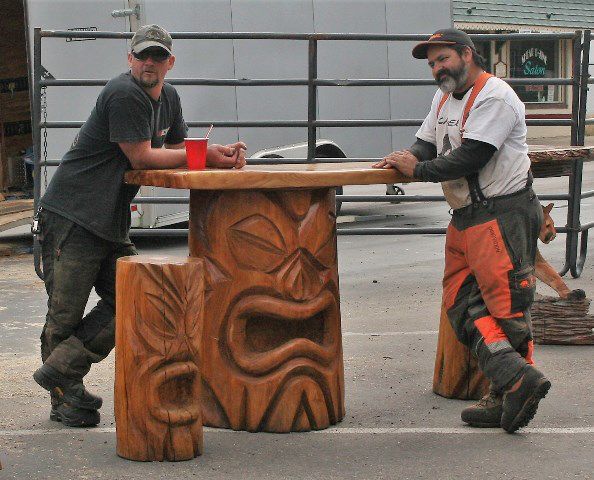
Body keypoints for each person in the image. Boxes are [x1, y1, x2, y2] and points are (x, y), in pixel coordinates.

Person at [33, 24, 247, 427]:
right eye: (143, 55)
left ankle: (61, 369)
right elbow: (144, 158)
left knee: (139, 298)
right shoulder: (124, 93)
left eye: (158, 57)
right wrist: (206, 158)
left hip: (108, 220)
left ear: (171, 63)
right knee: (65, 313)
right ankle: (65, 396)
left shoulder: (169, 98)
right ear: (130, 59)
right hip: (73, 217)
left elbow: (176, 150)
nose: (150, 63)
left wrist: (211, 153)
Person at [373, 28, 550, 433]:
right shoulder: (444, 97)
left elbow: (474, 155)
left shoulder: (495, 96)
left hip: (501, 213)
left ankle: (507, 392)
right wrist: (406, 157)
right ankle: (515, 380)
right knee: (462, 303)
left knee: (506, 307)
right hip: (468, 216)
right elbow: (427, 143)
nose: (437, 69)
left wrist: (416, 169)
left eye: (442, 59)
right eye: (432, 63)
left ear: (467, 54)